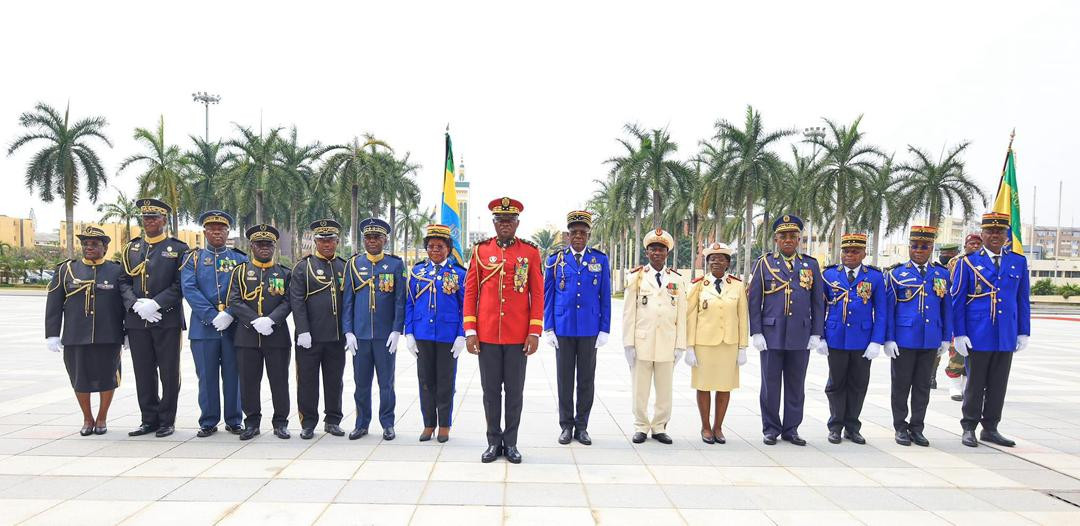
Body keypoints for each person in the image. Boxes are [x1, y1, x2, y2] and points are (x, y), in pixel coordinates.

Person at [464, 197, 544, 464]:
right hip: (486, 334)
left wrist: (534, 332)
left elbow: (537, 294)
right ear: (494, 223)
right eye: (501, 220)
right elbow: (471, 291)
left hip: (517, 335)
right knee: (490, 392)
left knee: (514, 391)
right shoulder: (480, 251)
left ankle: (510, 443)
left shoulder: (530, 253)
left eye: (510, 221)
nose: (505, 225)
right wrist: (470, 330)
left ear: (517, 223)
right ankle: (492, 442)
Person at [952, 212, 1030, 448]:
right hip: (978, 333)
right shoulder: (968, 263)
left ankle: (991, 427)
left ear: (1006, 235)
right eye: (990, 231)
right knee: (975, 383)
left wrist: (1023, 331)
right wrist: (960, 333)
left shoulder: (1017, 261)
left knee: (998, 384)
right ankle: (969, 427)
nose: (995, 235)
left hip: (1005, 333)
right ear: (982, 234)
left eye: (1000, 231)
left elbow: (1022, 299)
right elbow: (957, 300)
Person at [748, 214, 825, 446]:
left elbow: (818, 301)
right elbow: (754, 299)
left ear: (799, 239)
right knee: (770, 384)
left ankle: (791, 429)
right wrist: (756, 332)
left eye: (793, 236)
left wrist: (816, 332)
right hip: (771, 335)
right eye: (783, 236)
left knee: (796, 384)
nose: (788, 240)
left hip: (800, 334)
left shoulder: (810, 264)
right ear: (776, 239)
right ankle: (771, 428)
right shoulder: (764, 263)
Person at [45, 226, 126, 436]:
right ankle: (87, 418)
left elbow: (125, 303)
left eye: (95, 244)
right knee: (79, 378)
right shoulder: (66, 270)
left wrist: (127, 332)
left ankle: (102, 417)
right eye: (86, 244)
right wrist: (52, 334)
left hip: (109, 334)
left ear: (105, 248)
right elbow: (54, 303)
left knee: (108, 376)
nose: (89, 248)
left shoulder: (116, 271)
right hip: (75, 335)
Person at [119, 198, 189, 438]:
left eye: (154, 217)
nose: (149, 221)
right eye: (146, 218)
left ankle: (167, 420)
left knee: (169, 372)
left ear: (164, 220)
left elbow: (181, 285)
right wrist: (135, 304)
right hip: (138, 320)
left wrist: (156, 303)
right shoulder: (132, 249)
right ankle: (148, 419)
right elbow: (123, 281)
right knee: (143, 371)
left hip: (166, 320)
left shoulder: (178, 249)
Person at [543, 210, 611, 446]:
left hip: (589, 329)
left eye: (583, 232)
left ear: (588, 235)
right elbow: (548, 296)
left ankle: (582, 427)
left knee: (585, 380)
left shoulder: (600, 260)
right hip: (563, 328)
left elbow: (605, 297)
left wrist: (605, 329)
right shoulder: (555, 260)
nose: (578, 236)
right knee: (564, 380)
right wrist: (549, 328)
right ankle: (565, 426)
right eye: (574, 233)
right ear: (568, 236)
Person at [884, 226, 952, 447]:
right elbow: (889, 309)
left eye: (924, 246)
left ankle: (917, 427)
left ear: (931, 248)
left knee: (923, 386)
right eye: (915, 246)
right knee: (901, 385)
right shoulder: (896, 273)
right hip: (904, 339)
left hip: (930, 338)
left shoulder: (942, 274)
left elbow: (946, 307)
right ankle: (900, 427)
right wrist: (889, 338)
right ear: (909, 248)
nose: (919, 250)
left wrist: (945, 337)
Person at [181, 210, 246, 438]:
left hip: (233, 327)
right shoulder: (193, 259)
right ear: (205, 232)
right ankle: (208, 420)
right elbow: (189, 288)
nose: (216, 232)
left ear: (228, 231)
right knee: (206, 376)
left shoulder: (240, 259)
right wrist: (211, 315)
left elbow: (244, 289)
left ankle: (234, 419)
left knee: (233, 375)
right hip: (203, 328)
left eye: (221, 228)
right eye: (212, 228)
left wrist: (229, 313)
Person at [227, 224, 293, 440]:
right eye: (259, 244)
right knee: (248, 382)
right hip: (247, 336)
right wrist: (255, 320)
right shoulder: (241, 271)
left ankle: (280, 422)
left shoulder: (284, 273)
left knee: (279, 381)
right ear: (251, 246)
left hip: (277, 336)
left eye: (268, 244)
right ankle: (252, 422)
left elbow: (288, 301)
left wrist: (271, 320)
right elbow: (234, 300)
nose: (264, 248)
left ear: (274, 247)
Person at [343, 218, 405, 441]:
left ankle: (387, 423)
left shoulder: (396, 264)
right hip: (360, 336)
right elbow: (348, 300)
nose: (372, 241)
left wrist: (397, 330)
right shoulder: (354, 264)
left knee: (386, 383)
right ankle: (361, 423)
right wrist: (348, 331)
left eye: (377, 237)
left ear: (385, 240)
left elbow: (400, 299)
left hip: (384, 335)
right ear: (363, 240)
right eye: (368, 237)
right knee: (361, 384)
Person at [623, 228, 687, 446]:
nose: (657, 253)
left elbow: (681, 315)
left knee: (664, 389)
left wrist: (680, 345)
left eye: (661, 249)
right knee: (640, 388)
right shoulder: (636, 277)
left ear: (667, 253)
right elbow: (629, 313)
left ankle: (660, 426)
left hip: (667, 343)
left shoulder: (677, 279)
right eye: (653, 249)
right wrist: (628, 344)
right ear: (647, 253)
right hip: (642, 341)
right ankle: (641, 425)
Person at [404, 224, 467, 442]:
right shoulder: (418, 271)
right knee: (426, 381)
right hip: (422, 333)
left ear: (448, 248)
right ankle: (428, 424)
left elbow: (465, 306)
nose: (435, 251)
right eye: (430, 246)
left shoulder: (458, 273)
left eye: (439, 246)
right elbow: (410, 303)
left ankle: (445, 425)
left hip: (448, 336)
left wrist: (462, 334)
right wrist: (409, 332)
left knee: (446, 381)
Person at [820, 233, 886, 445]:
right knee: (836, 384)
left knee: (858, 384)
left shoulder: (874, 277)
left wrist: (877, 341)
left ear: (863, 254)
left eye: (855, 251)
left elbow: (881, 311)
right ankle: (835, 426)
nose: (850, 255)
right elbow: (820, 307)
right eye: (846, 251)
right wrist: (820, 336)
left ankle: (852, 427)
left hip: (863, 340)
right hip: (836, 337)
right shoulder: (829, 275)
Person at [289, 219, 348, 440]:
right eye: (322, 240)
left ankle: (333, 420)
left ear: (337, 241)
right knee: (307, 381)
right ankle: (308, 422)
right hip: (309, 337)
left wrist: (348, 331)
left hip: (336, 336)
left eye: (331, 240)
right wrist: (302, 330)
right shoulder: (303, 267)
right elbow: (296, 300)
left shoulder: (344, 266)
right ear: (315, 241)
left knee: (335, 380)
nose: (327, 244)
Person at [685, 242, 747, 444]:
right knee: (703, 386)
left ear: (728, 263)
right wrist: (690, 347)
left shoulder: (737, 286)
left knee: (724, 387)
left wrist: (742, 348)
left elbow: (742, 317)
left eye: (721, 259)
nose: (716, 262)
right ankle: (705, 427)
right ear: (707, 262)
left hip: (728, 345)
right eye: (712, 259)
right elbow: (690, 317)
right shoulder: (697, 285)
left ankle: (718, 427)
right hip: (704, 344)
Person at [944, 234, 983, 401]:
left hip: (979, 315)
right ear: (965, 245)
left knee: (975, 351)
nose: (975, 246)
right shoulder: (958, 262)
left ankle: (968, 384)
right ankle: (954, 385)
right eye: (971, 243)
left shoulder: (986, 261)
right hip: (961, 311)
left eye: (977, 243)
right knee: (957, 351)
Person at [928, 243, 960, 390]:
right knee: (936, 349)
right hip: (939, 315)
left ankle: (957, 378)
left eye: (950, 253)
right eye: (944, 253)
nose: (946, 256)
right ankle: (931, 376)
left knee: (955, 349)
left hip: (956, 313)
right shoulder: (937, 271)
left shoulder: (961, 266)